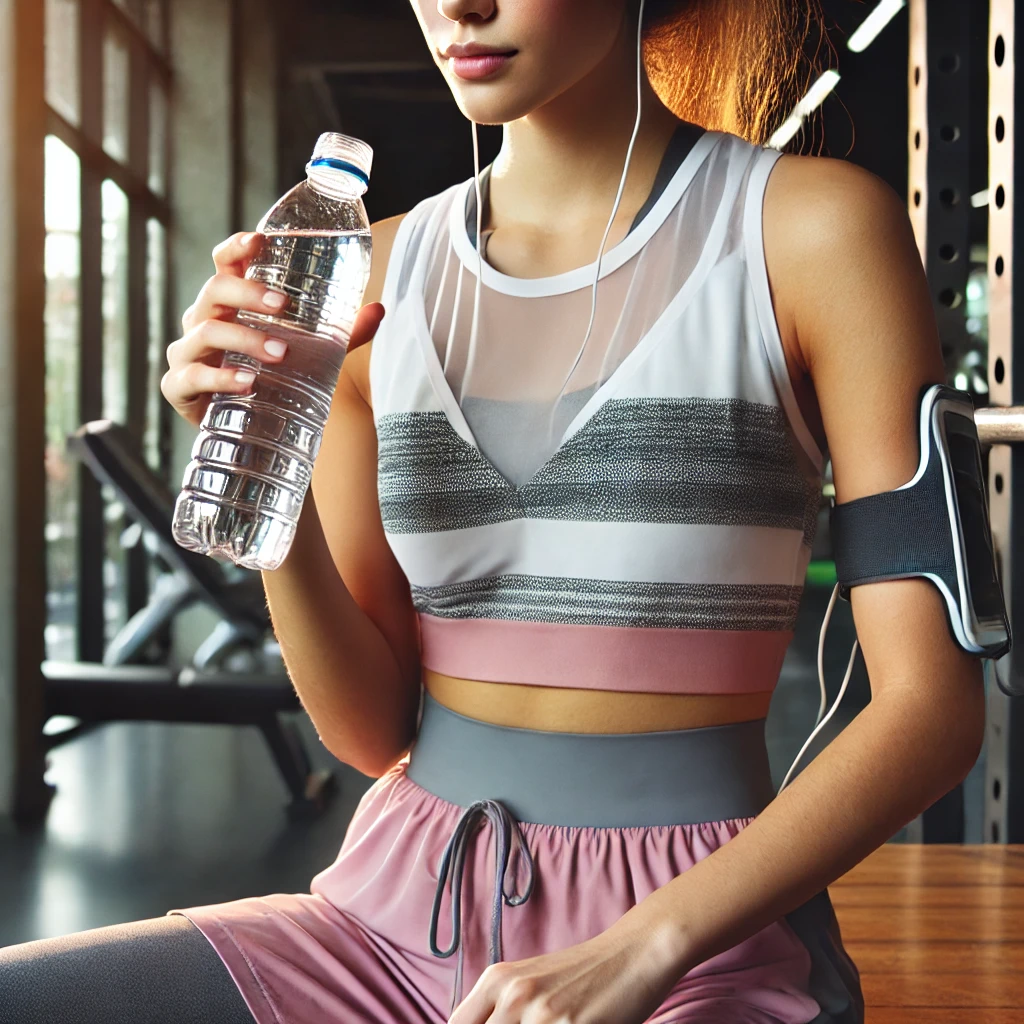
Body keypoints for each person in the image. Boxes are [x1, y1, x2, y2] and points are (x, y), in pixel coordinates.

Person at [1, 1, 987, 1022]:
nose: (460, 4)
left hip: (699, 947)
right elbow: (370, 725)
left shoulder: (811, 230)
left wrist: (641, 944)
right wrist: (264, 466)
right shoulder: (367, 272)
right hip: (382, 923)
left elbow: (930, 710)